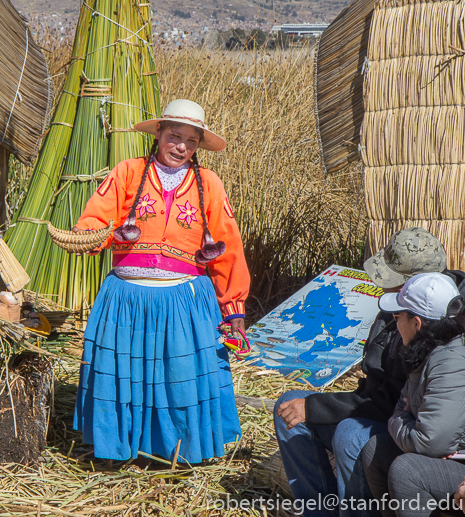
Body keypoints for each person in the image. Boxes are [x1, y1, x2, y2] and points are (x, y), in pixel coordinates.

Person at [71, 99, 250, 464]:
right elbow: (92, 222)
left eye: (191, 140)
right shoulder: (128, 173)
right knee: (126, 376)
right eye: (174, 135)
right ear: (158, 133)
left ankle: (179, 452)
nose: (181, 146)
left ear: (198, 145)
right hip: (126, 299)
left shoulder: (208, 184)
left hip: (183, 301)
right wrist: (101, 236)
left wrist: (233, 311)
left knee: (179, 377)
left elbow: (228, 246)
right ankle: (122, 449)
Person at [274, 228, 465, 517]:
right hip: (391, 418)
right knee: (288, 404)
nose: (383, 287)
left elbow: (395, 408)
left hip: (416, 440)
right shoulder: (396, 311)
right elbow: (380, 390)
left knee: (351, 434)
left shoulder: (439, 331)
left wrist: (316, 407)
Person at [361, 273, 465, 517]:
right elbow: (403, 407)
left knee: (407, 470)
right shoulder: (425, 353)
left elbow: (429, 441)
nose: (396, 326)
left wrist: (397, 421)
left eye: (398, 317)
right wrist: (404, 419)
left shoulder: (449, 360)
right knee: (375, 449)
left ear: (417, 323)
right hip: (450, 456)